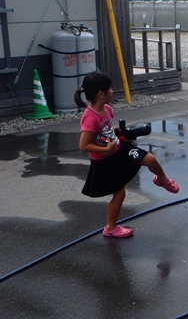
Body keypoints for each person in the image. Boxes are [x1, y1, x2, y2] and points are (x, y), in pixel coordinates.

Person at [74, 71, 179, 238]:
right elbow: (84, 145)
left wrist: (123, 136)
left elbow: (107, 131)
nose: (112, 91)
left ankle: (162, 180)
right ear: (101, 94)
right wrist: (105, 149)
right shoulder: (90, 117)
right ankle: (110, 228)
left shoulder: (107, 109)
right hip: (105, 159)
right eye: (110, 89)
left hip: (119, 148)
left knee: (150, 159)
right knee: (120, 193)